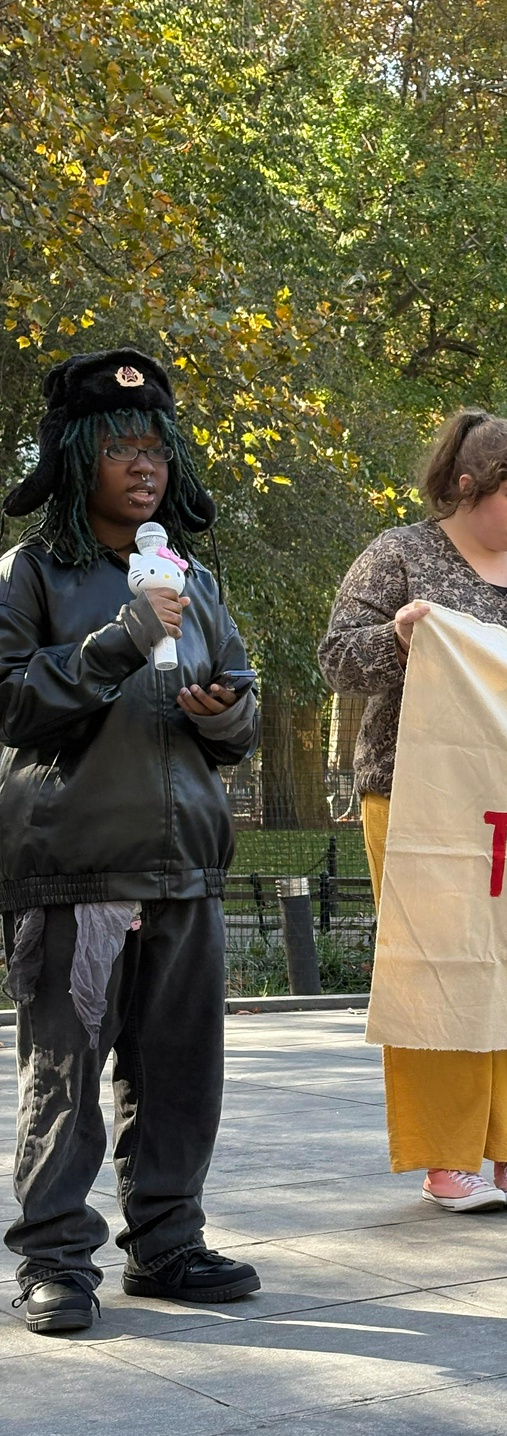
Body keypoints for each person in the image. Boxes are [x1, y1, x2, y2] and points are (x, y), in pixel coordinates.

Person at [0, 349, 262, 1333]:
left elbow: (238, 698)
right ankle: (57, 1262)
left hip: (184, 862)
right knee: (66, 1076)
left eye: (153, 447)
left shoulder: (193, 576)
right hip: (78, 864)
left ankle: (167, 1243)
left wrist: (223, 710)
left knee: (180, 1070)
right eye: (118, 448)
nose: (142, 464)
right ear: (75, 458)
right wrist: (118, 637)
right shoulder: (29, 574)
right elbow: (12, 704)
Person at [319, 409, 507, 1212]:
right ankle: (447, 1158)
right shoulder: (400, 556)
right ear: (465, 486)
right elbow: (336, 659)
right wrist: (399, 637)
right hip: (420, 798)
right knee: (439, 970)